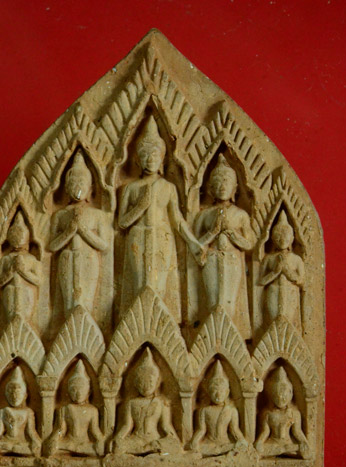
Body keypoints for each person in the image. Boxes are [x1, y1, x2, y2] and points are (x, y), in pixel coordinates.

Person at [118, 116, 205, 322]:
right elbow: (122, 222)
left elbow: (177, 220)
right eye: (145, 155)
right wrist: (140, 207)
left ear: (162, 160)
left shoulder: (168, 187)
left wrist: (194, 243)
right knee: (140, 285)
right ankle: (139, 327)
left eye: (154, 154)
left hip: (162, 238)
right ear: (138, 160)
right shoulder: (131, 188)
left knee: (159, 285)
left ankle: (158, 327)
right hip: (138, 237)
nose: (150, 159)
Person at [194, 154, 256, 338]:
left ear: (235, 189)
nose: (222, 186)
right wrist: (213, 232)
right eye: (218, 182)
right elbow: (195, 245)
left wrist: (231, 234)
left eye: (226, 182)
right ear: (210, 189)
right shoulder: (204, 215)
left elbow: (249, 243)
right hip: (211, 259)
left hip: (232, 260)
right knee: (213, 301)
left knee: (229, 301)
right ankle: (212, 339)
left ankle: (229, 339)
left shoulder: (240, 214)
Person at [49, 151, 108, 316]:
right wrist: (69, 231)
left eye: (81, 182)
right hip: (67, 258)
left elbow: (103, 245)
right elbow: (52, 246)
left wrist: (83, 230)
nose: (77, 186)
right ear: (66, 188)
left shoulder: (97, 215)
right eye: (73, 182)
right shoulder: (60, 215)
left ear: (90, 188)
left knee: (86, 303)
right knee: (69, 303)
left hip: (88, 258)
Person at [111, 348, 182, 455]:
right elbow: (127, 425)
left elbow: (166, 425)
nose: (146, 386)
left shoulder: (161, 403)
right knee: (118, 447)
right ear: (136, 384)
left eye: (150, 382)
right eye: (142, 382)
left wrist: (174, 439)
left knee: (171, 445)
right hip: (136, 439)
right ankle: (145, 449)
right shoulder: (131, 403)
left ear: (157, 382)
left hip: (154, 439)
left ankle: (146, 449)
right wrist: (117, 438)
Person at [45, 360, 104, 456]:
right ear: (68, 392)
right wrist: (54, 440)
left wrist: (100, 441)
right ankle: (76, 449)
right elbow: (61, 429)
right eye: (74, 390)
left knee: (98, 450)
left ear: (89, 391)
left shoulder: (92, 410)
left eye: (82, 389)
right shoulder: (65, 409)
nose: (78, 393)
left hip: (85, 443)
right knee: (53, 448)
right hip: (69, 443)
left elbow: (95, 430)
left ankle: (79, 449)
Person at [189, 360, 247, 456]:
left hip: (225, 444)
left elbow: (235, 430)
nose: (218, 395)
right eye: (214, 391)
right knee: (196, 449)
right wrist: (194, 441)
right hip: (208, 444)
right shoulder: (204, 411)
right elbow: (201, 430)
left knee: (236, 448)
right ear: (209, 392)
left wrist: (241, 440)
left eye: (221, 391)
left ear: (227, 392)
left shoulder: (231, 411)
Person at [259, 211, 304, 329]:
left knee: (288, 323)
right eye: (278, 236)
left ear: (292, 238)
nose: (282, 239)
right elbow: (261, 281)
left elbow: (301, 280)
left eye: (285, 235)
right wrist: (276, 271)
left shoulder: (296, 259)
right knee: (274, 323)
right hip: (273, 291)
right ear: (273, 238)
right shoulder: (269, 258)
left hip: (290, 293)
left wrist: (286, 269)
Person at [255, 366, 310, 458]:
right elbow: (265, 432)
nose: (280, 398)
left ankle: (284, 450)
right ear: (271, 395)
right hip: (272, 443)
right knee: (258, 451)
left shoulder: (294, 413)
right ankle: (282, 450)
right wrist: (259, 442)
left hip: (288, 443)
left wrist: (304, 442)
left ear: (290, 394)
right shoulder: (267, 413)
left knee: (302, 450)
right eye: (277, 395)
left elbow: (297, 431)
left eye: (284, 395)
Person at [0, 211, 41, 322]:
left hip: (27, 292)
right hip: (10, 291)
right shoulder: (6, 259)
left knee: (26, 320)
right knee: (11, 321)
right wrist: (12, 270)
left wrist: (22, 271)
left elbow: (38, 280)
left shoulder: (31, 259)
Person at [0, 366, 41, 456]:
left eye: (17, 394)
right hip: (6, 442)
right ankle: (11, 449)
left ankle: (14, 449)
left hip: (22, 442)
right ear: (6, 395)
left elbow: (31, 431)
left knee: (32, 449)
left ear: (25, 396)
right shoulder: (2, 412)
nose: (14, 397)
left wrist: (36, 441)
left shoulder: (28, 412)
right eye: (11, 394)